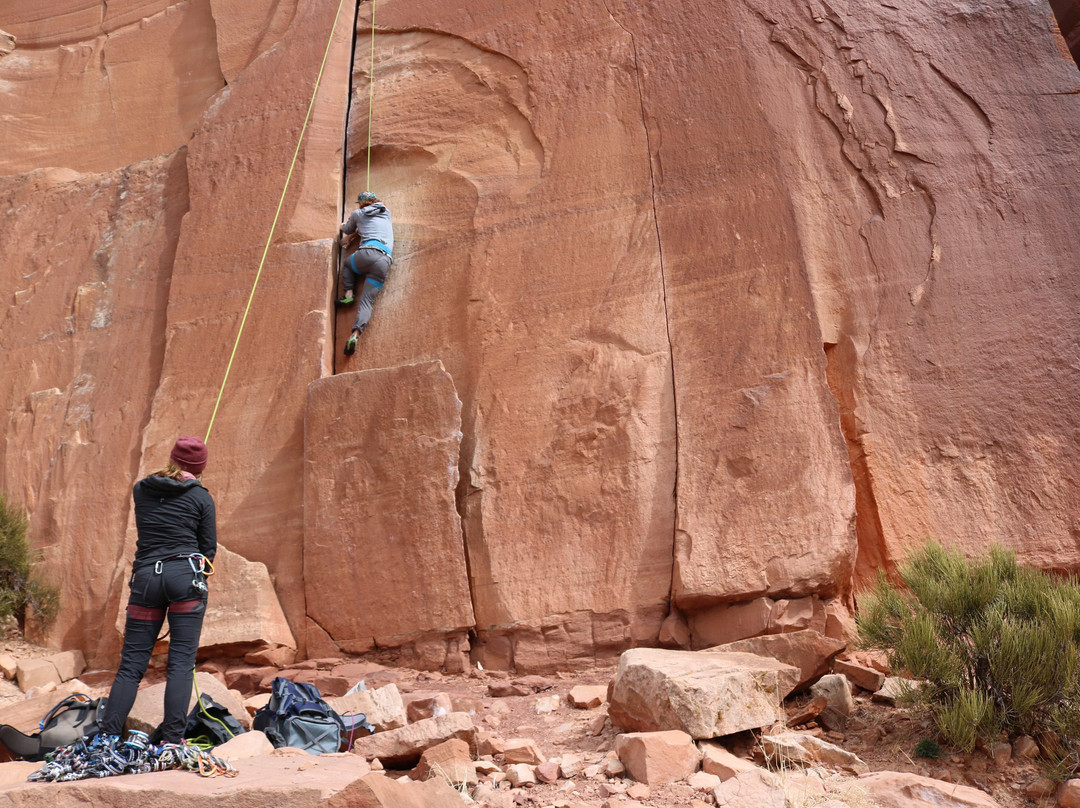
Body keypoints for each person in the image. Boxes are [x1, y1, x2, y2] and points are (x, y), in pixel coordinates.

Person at [99, 435, 217, 745]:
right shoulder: (202, 497)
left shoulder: (141, 489)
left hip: (147, 578)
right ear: (200, 467)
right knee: (180, 663)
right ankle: (172, 741)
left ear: (173, 458)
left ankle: (107, 738)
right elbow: (208, 550)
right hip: (184, 577)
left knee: (131, 665)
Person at [337, 191, 393, 355]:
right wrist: (355, 235)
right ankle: (355, 335)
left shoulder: (357, 213)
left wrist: (345, 230)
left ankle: (348, 294)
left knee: (347, 265)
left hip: (366, 253)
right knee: (367, 302)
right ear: (376, 200)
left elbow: (347, 228)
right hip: (384, 261)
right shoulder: (386, 212)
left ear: (361, 203)